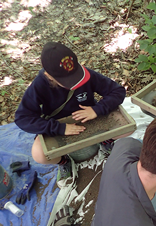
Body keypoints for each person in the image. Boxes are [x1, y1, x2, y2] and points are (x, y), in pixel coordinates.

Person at [15, 42, 126, 182]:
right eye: (68, 81)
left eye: (76, 76)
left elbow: (118, 91)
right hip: (59, 125)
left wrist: (96, 110)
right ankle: (64, 161)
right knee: (39, 154)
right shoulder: (40, 85)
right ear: (48, 75)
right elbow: (23, 118)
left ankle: (106, 141)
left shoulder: (86, 74)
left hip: (90, 118)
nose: (75, 83)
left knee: (124, 125)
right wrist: (59, 128)